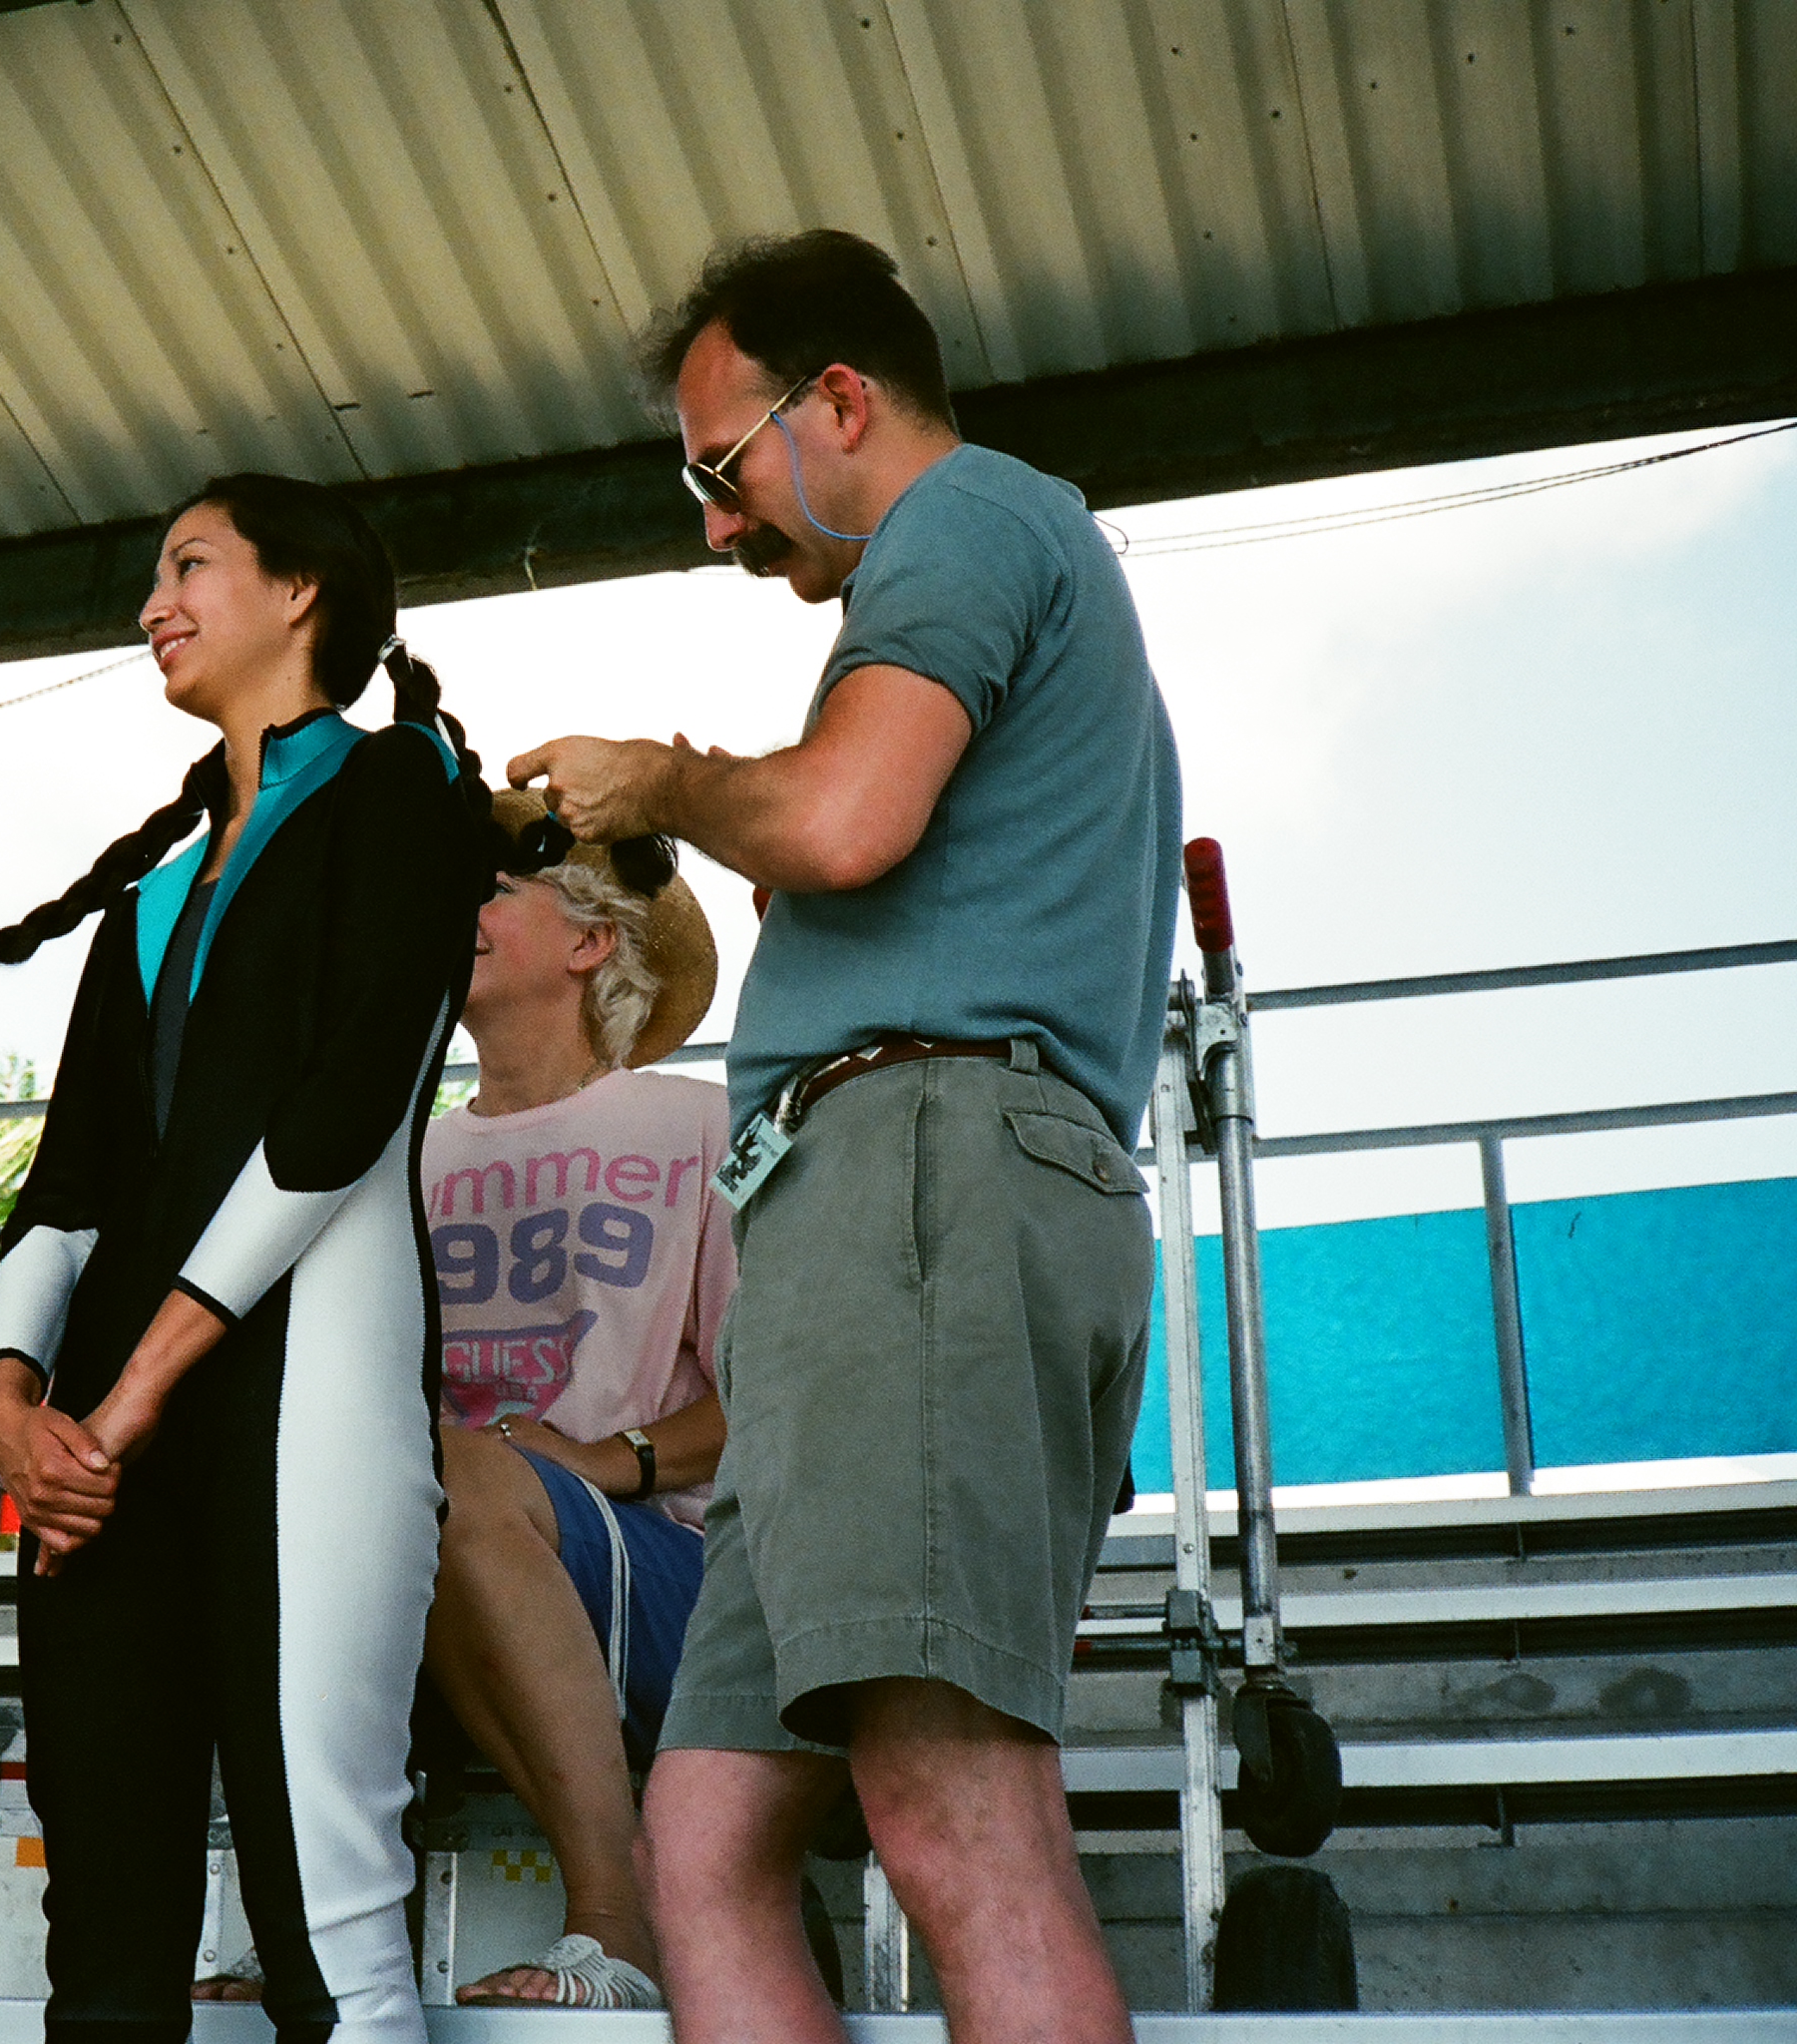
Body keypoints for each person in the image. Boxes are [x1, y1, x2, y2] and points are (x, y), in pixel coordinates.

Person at [510, 230, 1179, 2044]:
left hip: (927, 1174)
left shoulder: (965, 520)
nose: (715, 525)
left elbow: (850, 813)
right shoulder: (983, 558)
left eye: (718, 470)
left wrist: (664, 784)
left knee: (953, 1807)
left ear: (841, 403)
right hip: (856, 1205)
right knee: (706, 1833)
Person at [0, 472, 490, 2044]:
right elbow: (63, 1187)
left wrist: (116, 1410)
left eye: (189, 564)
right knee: (104, 1944)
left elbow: (340, 1116)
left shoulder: (404, 794)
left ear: (303, 591)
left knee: (323, 1916)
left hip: (298, 1394)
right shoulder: (147, 896)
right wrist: (12, 1403)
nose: (152, 604)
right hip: (95, 1445)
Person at [417, 792, 728, 2010]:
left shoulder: (699, 1123)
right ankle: (310, 1922)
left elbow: (773, 1402)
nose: (458, 913)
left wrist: (603, 1458)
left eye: (492, 889)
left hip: (662, 1566)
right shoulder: (402, 1155)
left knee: (455, 1475)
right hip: (450, 1534)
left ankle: (618, 1909)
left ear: (592, 940)